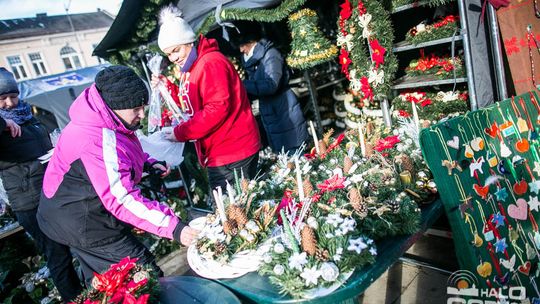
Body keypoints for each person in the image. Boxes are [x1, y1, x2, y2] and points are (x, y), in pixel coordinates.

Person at [37, 65, 199, 286]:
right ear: (115, 107)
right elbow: (121, 198)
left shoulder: (104, 118)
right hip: (82, 220)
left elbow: (122, 150)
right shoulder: (95, 139)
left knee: (113, 283)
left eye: (144, 106)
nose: (142, 114)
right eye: (136, 109)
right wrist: (175, 228)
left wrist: (149, 163)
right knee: (142, 274)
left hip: (74, 212)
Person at [152, 5, 261, 192]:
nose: (172, 58)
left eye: (176, 50)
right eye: (168, 54)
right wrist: (168, 87)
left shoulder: (210, 63)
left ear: (188, 41)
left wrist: (180, 133)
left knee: (233, 210)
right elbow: (192, 106)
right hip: (220, 152)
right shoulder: (192, 67)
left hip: (232, 151)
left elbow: (216, 109)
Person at [0, 67, 82, 302]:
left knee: (76, 245)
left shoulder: (27, 116)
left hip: (52, 192)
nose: (8, 103)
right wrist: (3, 123)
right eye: (1, 98)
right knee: (57, 256)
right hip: (29, 202)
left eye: (12, 96)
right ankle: (75, 299)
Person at [231, 21, 309, 154]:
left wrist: (242, 84)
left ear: (250, 41)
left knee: (295, 152)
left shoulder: (270, 54)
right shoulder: (252, 61)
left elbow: (271, 85)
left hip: (283, 109)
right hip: (271, 111)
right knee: (283, 155)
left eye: (242, 45)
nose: (241, 50)